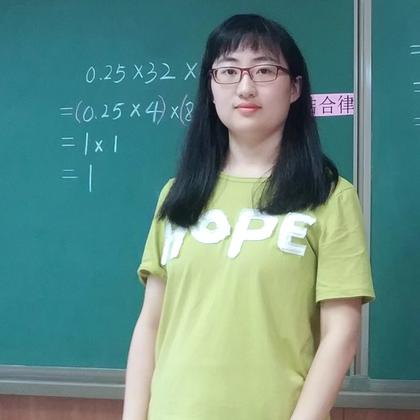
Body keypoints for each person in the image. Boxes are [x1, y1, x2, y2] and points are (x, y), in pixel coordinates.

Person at [122, 13, 376, 420]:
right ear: (210, 87)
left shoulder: (330, 196)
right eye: (228, 71)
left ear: (295, 88)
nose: (245, 87)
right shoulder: (178, 195)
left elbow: (341, 335)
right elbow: (150, 323)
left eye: (264, 70)